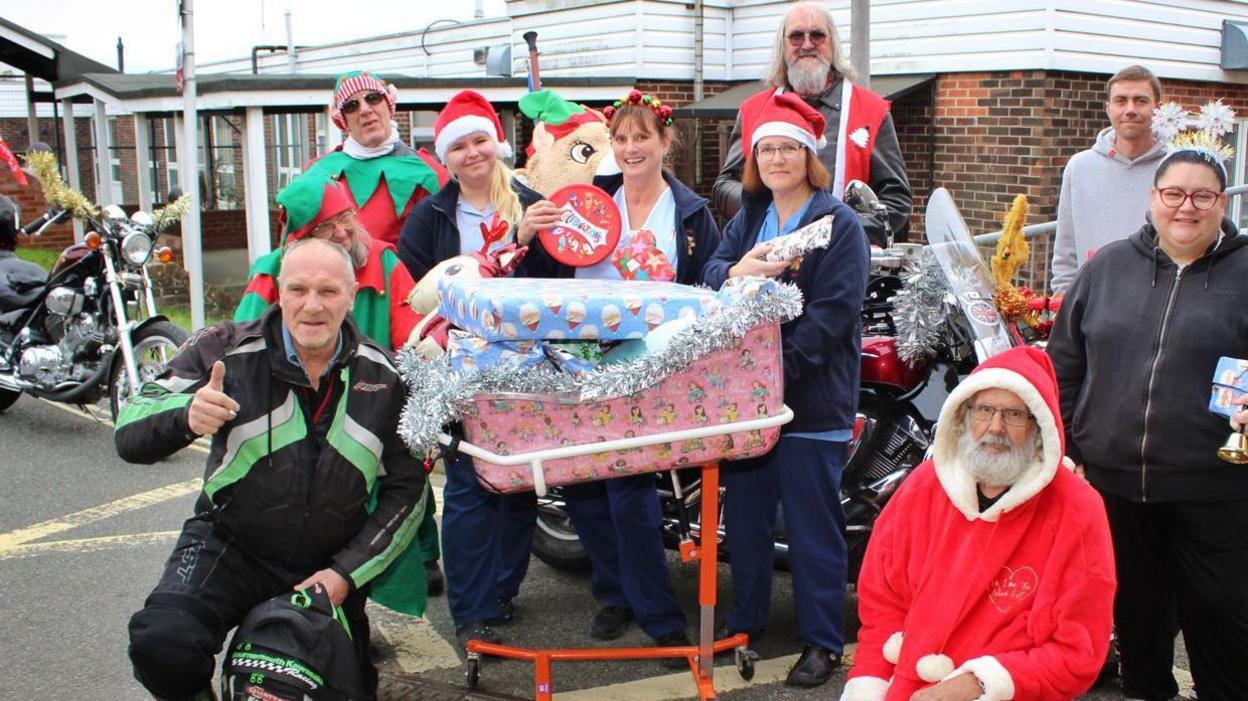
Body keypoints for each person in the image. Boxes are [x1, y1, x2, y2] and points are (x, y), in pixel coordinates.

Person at [117, 238, 426, 701]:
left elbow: (410, 493)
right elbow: (130, 428)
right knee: (163, 644)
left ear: (353, 293)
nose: (312, 306)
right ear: (279, 291)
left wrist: (344, 574)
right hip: (230, 545)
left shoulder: (383, 378)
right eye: (298, 290)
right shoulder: (224, 347)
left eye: (328, 292)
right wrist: (185, 416)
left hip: (326, 564)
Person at [1048, 137, 1248, 701]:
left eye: (1203, 196)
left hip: (1217, 488)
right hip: (1113, 486)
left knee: (1222, 619)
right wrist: (1072, 446)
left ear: (1223, 203)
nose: (1187, 207)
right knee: (1134, 614)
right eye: (1174, 193)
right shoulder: (1108, 267)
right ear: (1152, 198)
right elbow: (1064, 364)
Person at [702, 90, 869, 688]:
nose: (776, 159)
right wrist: (737, 270)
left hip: (811, 402)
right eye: (766, 149)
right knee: (744, 521)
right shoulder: (747, 217)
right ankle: (745, 621)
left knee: (810, 525)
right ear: (754, 159)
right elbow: (712, 275)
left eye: (787, 149)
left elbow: (835, 312)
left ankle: (823, 640)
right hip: (749, 407)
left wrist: (778, 374)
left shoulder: (838, 224)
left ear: (808, 157)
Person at [841, 346, 1116, 701]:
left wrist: (980, 682)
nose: (995, 427)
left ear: (1038, 424)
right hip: (906, 688)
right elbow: (883, 608)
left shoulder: (1076, 510)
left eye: (1014, 414)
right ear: (964, 415)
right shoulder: (925, 487)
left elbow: (1077, 652)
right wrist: (869, 685)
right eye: (984, 410)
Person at [397, 90, 565, 653]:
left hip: (524, 365)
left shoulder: (532, 203)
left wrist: (535, 245)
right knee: (469, 487)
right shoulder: (430, 217)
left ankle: (500, 593)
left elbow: (557, 288)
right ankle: (470, 612)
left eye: (480, 141)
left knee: (518, 483)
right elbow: (421, 298)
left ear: (497, 144)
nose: (473, 153)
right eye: (460, 146)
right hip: (456, 368)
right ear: (445, 158)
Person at [558, 90, 719, 660]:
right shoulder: (586, 203)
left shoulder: (692, 213)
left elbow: (709, 287)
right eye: (621, 139)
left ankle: (654, 610)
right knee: (583, 485)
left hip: (654, 362)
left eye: (641, 137)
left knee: (630, 489)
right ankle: (614, 594)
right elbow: (553, 270)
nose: (630, 148)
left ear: (664, 142)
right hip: (584, 356)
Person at [711, 1, 910, 246]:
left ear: (832, 44)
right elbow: (724, 186)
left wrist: (837, 232)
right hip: (765, 257)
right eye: (796, 36)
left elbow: (896, 200)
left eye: (817, 35)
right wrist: (768, 210)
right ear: (782, 46)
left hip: (841, 259)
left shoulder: (871, 110)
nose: (806, 44)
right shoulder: (753, 110)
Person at [1050, 65, 1167, 293]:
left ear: (1157, 108)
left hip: (1156, 303)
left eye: (1141, 100)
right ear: (1108, 108)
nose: (1130, 109)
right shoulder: (1080, 167)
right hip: (1094, 300)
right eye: (1121, 101)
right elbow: (1066, 250)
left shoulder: (1176, 169)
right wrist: (1062, 303)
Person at [308, 70, 448, 248]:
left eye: (373, 98)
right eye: (351, 106)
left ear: (389, 105)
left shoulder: (430, 174)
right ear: (343, 120)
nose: (365, 110)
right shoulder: (319, 173)